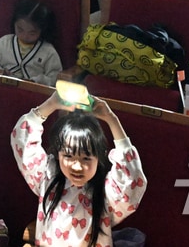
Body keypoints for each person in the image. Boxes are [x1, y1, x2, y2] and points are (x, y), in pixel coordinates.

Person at [13, 91, 146, 246]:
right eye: (69, 156)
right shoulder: (47, 177)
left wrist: (111, 119)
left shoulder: (107, 193)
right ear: (57, 154)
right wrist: (50, 104)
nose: (77, 166)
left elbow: (133, 180)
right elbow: (22, 141)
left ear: (99, 157)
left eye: (86, 158)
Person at [0, 0, 62, 85]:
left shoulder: (48, 52)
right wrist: (0, 72)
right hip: (2, 86)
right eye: (20, 30)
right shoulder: (4, 43)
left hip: (33, 92)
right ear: (14, 23)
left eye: (32, 33)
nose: (25, 36)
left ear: (42, 30)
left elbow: (55, 77)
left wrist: (37, 81)